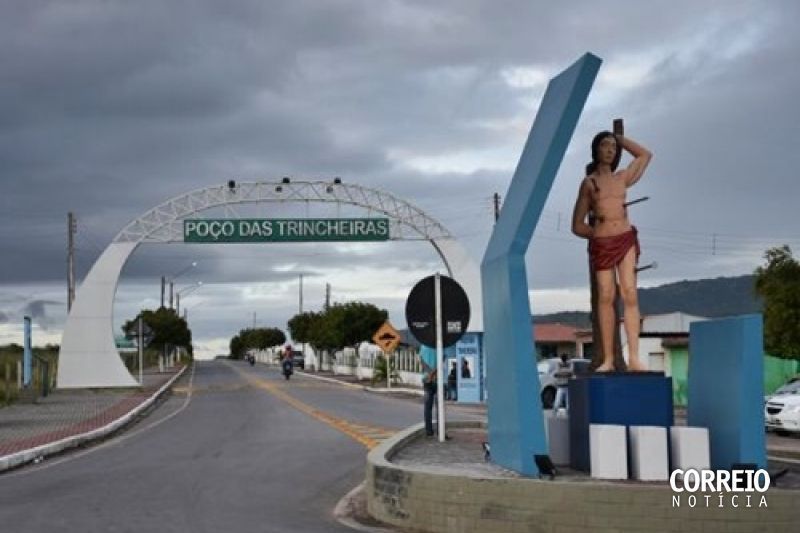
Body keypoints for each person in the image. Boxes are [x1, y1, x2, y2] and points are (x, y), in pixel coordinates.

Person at [572, 130, 652, 372]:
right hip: (603, 243)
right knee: (606, 297)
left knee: (629, 292)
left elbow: (645, 155)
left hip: (625, 238)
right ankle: (608, 359)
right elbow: (576, 225)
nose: (610, 151)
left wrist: (621, 139)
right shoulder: (589, 183)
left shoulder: (621, 178)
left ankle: (635, 358)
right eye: (605, 146)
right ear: (596, 150)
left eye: (613, 147)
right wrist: (596, 232)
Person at [419, 345, 438, 436]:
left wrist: (429, 374)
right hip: (437, 380)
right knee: (440, 408)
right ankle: (440, 430)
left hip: (426, 379)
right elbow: (442, 360)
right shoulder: (439, 344)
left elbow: (421, 360)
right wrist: (433, 374)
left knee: (427, 407)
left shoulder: (423, 345)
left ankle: (429, 431)